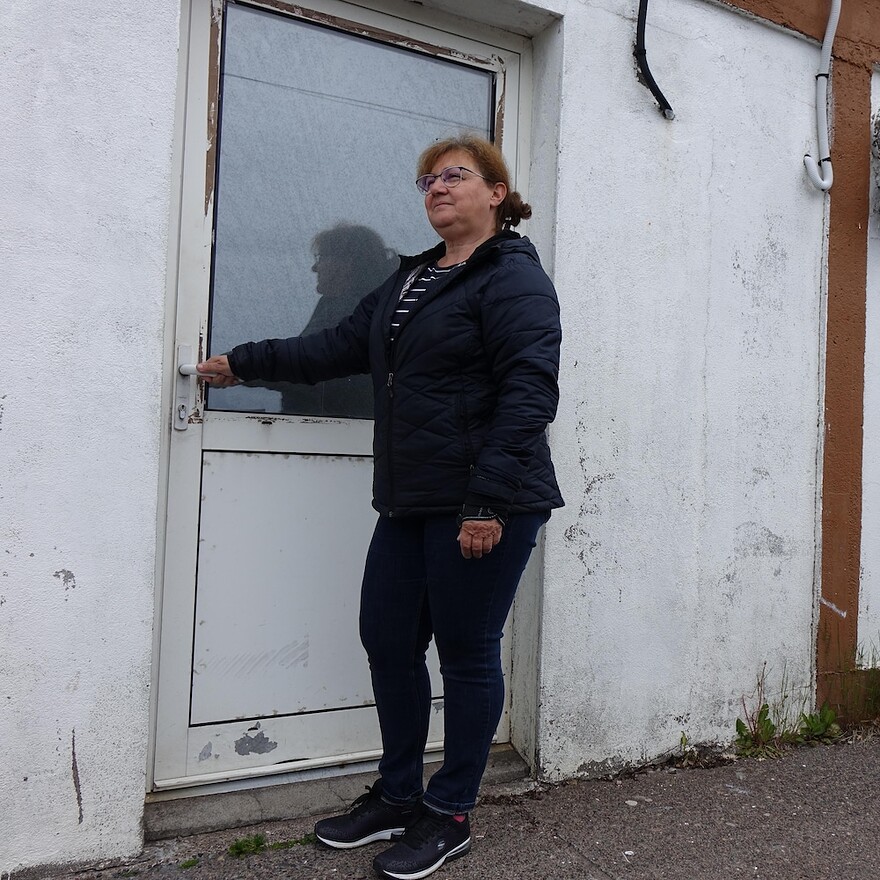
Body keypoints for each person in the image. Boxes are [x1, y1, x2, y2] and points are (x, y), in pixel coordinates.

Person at [197, 134, 563, 879]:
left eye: (454, 175)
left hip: (486, 500)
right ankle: (398, 795)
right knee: (387, 642)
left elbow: (530, 390)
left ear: (496, 192)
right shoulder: (411, 281)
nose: (435, 187)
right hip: (408, 499)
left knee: (465, 654)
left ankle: (450, 810)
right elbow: (333, 345)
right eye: (426, 179)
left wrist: (488, 500)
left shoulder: (513, 278)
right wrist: (243, 362)